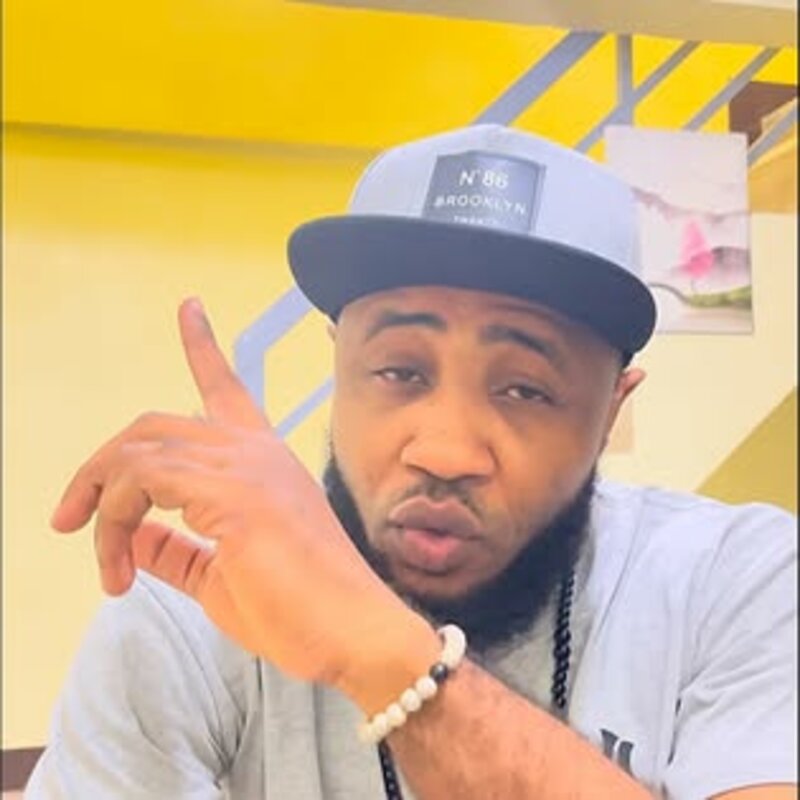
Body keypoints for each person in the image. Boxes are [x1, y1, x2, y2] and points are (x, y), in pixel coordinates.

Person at [26, 124, 796, 800]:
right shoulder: (192, 607)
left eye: (526, 389)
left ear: (610, 411)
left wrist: (384, 656)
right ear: (340, 362)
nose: (445, 451)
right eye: (399, 371)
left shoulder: (730, 581)